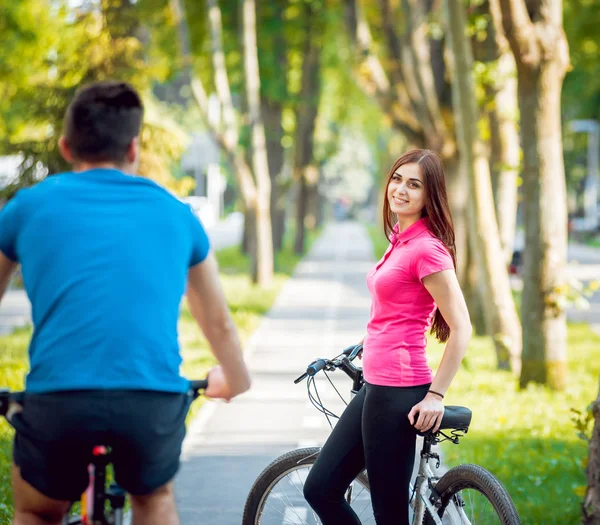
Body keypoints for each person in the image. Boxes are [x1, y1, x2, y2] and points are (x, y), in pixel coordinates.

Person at [0, 81, 251, 525]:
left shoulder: (26, 208)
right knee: (154, 501)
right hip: (148, 403)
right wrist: (235, 380)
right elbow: (217, 322)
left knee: (36, 512)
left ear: (65, 147)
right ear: (133, 147)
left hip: (59, 401)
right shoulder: (177, 214)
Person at [303, 149, 472, 525]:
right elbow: (400, 309)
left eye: (414, 185)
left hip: (398, 392)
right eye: (397, 179)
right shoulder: (401, 238)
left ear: (431, 196)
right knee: (320, 488)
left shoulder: (427, 249)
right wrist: (369, 342)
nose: (401, 189)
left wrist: (436, 395)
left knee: (389, 515)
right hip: (376, 385)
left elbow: (462, 327)